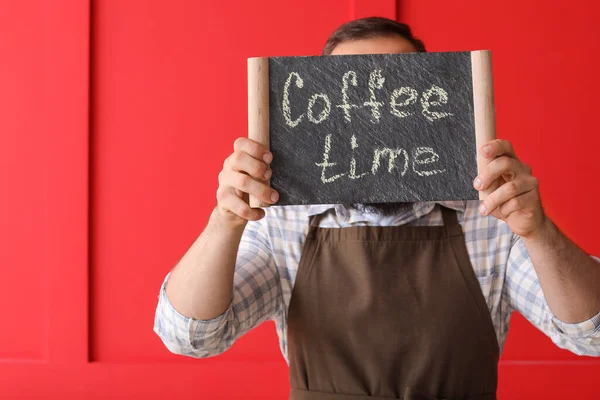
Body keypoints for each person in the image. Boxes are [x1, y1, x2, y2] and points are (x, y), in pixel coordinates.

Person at [154, 17, 600, 400]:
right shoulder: (281, 220)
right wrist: (225, 221)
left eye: (395, 92)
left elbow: (592, 335)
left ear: (432, 104)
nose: (373, 117)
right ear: (321, 110)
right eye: (351, 97)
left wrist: (538, 231)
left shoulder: (490, 215)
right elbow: (191, 337)